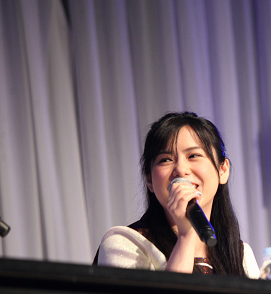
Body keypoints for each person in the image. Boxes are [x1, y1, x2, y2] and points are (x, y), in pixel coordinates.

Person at [96, 112, 260, 278]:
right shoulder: (125, 244)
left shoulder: (241, 255)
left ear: (222, 170)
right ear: (149, 180)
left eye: (193, 156)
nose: (181, 170)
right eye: (165, 159)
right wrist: (186, 235)